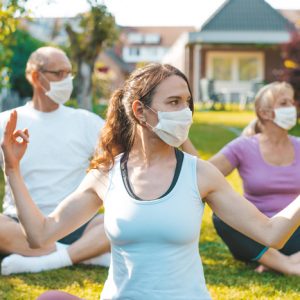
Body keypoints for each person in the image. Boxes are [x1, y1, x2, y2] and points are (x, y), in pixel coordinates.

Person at [1, 64, 299, 300]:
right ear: (139, 111)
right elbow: (40, 235)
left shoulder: (200, 173)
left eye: (187, 102)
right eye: (173, 102)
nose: (185, 112)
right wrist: (13, 169)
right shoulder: (108, 174)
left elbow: (272, 233)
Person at [0, 46, 111, 276]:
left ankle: (48, 259)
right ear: (35, 76)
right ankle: (84, 253)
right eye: (58, 73)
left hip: (76, 221)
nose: (66, 80)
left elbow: (120, 161)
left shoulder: (86, 121)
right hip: (20, 224)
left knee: (120, 220)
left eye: (68, 73)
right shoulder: (6, 121)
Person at [210, 82, 300, 275]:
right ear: (265, 113)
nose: (292, 108)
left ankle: (280, 262)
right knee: (221, 215)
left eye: (292, 102)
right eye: (284, 103)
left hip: (295, 231)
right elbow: (203, 175)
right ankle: (288, 265)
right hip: (256, 232)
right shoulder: (243, 147)